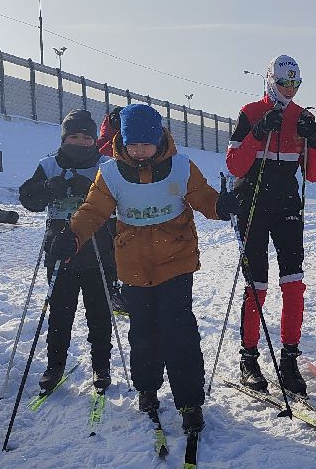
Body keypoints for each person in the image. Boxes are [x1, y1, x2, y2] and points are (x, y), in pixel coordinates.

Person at [52, 104, 240, 435]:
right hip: (133, 265)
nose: (139, 150)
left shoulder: (181, 166)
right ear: (122, 141)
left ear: (159, 140)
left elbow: (202, 197)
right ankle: (147, 388)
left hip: (176, 261)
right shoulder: (110, 173)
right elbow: (93, 210)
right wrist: (73, 235)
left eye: (146, 143)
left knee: (179, 331)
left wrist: (220, 206)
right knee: (143, 333)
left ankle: (189, 400)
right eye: (133, 144)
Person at [225, 55, 316, 396]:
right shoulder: (251, 112)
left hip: (286, 206)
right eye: (285, 83)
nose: (290, 90)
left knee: (293, 284)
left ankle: (289, 358)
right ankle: (249, 357)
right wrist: (257, 133)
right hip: (252, 204)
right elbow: (236, 166)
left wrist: (315, 142)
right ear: (271, 80)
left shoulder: (304, 117)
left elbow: (312, 174)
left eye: (296, 84)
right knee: (258, 285)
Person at [19, 109, 117, 394]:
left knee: (99, 312)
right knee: (60, 312)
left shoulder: (106, 164)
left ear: (93, 140)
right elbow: (28, 198)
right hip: (60, 248)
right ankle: (55, 364)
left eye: (86, 137)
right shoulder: (49, 165)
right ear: (64, 138)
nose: (80, 141)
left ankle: (102, 364)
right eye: (73, 136)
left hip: (98, 248)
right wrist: (48, 188)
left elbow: (118, 202)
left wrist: (90, 190)